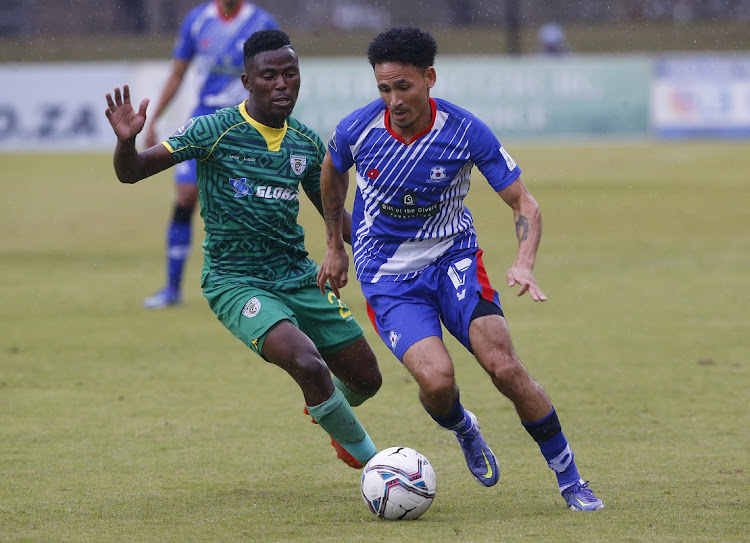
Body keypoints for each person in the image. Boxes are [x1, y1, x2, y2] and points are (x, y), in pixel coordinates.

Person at [316, 26, 604, 510]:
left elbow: (524, 204)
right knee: (438, 382)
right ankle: (463, 427)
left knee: (505, 368)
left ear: (429, 77)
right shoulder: (357, 130)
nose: (394, 100)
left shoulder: (464, 131)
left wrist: (524, 263)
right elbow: (330, 173)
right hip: (389, 279)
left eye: (403, 87)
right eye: (384, 89)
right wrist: (334, 246)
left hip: (454, 261)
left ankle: (570, 478)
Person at [105, 30, 382, 469]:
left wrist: (389, 242)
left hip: (298, 274)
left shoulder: (307, 144)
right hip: (236, 282)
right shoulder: (214, 129)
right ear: (247, 81)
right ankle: (381, 467)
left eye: (290, 75)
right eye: (269, 76)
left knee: (367, 379)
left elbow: (335, 215)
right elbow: (132, 172)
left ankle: (328, 410)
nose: (282, 85)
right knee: (309, 366)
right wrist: (125, 142)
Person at [142, 0, 279, 309]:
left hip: (246, 122)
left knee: (252, 203)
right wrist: (154, 119)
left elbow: (279, 75)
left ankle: (262, 282)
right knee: (186, 195)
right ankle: (172, 288)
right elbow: (177, 73)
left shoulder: (261, 21)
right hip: (204, 121)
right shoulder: (197, 20)